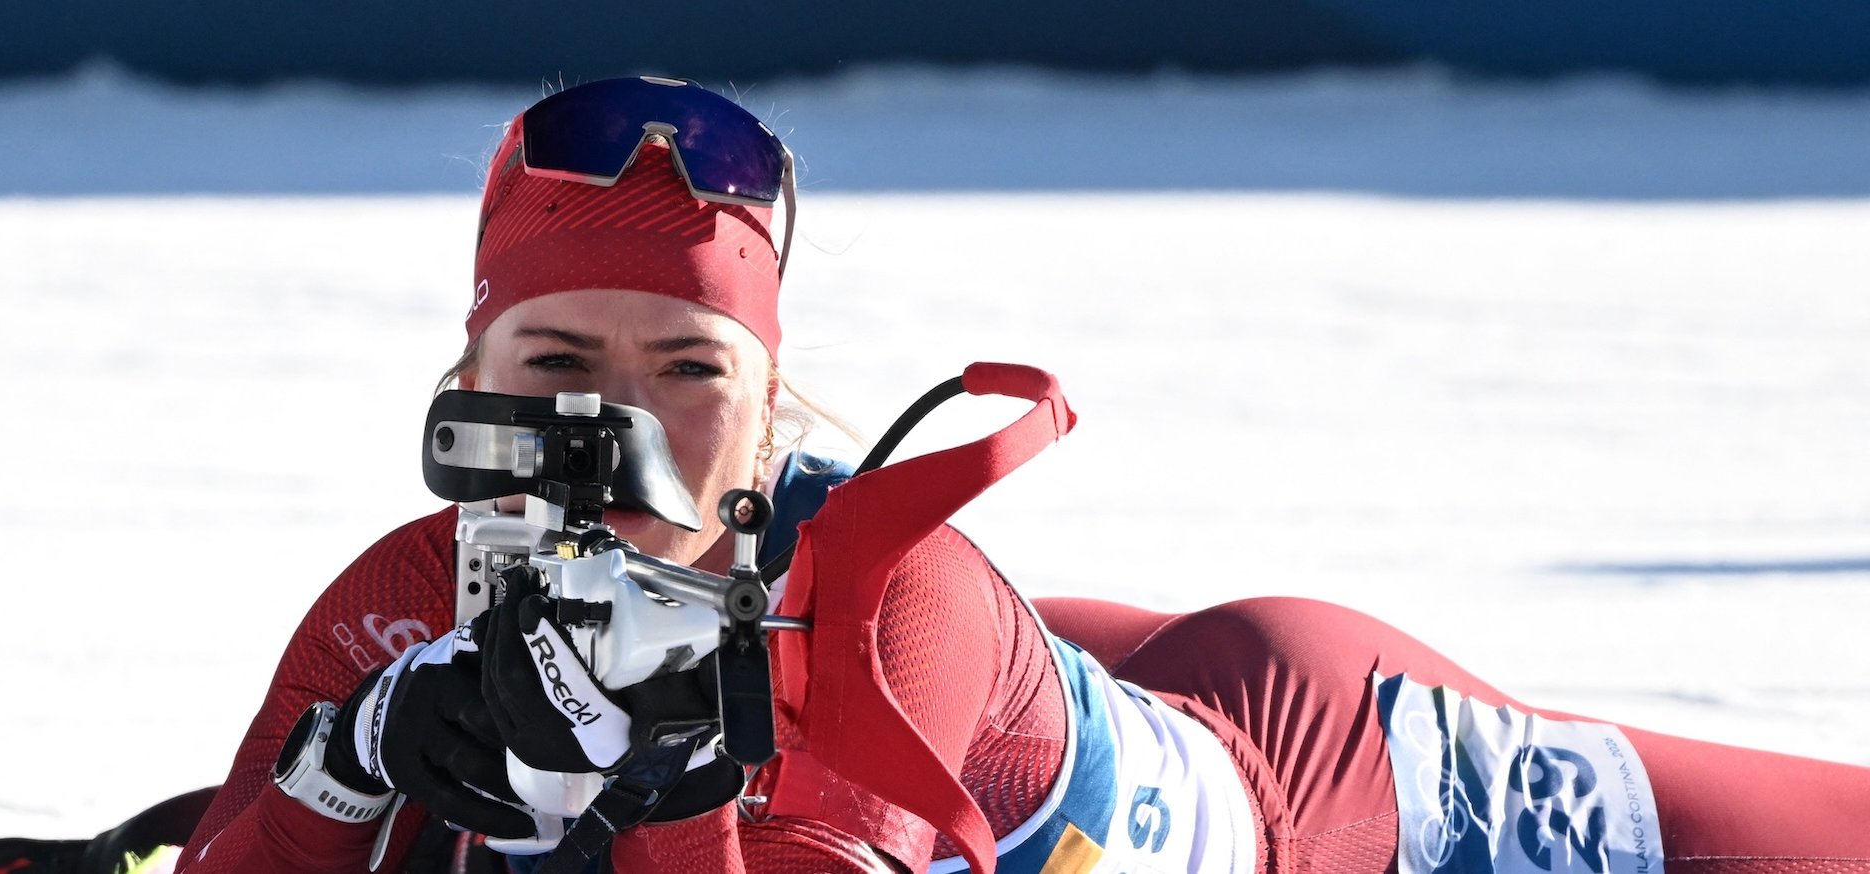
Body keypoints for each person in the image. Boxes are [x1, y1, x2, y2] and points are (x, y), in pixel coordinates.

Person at [173, 76, 1870, 874]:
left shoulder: (878, 591)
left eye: (690, 370)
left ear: (770, 421)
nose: (623, 424)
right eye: (557, 369)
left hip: (1354, 794)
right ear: (468, 393)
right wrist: (348, 767)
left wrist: (682, 791)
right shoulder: (408, 601)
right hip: (1085, 680)